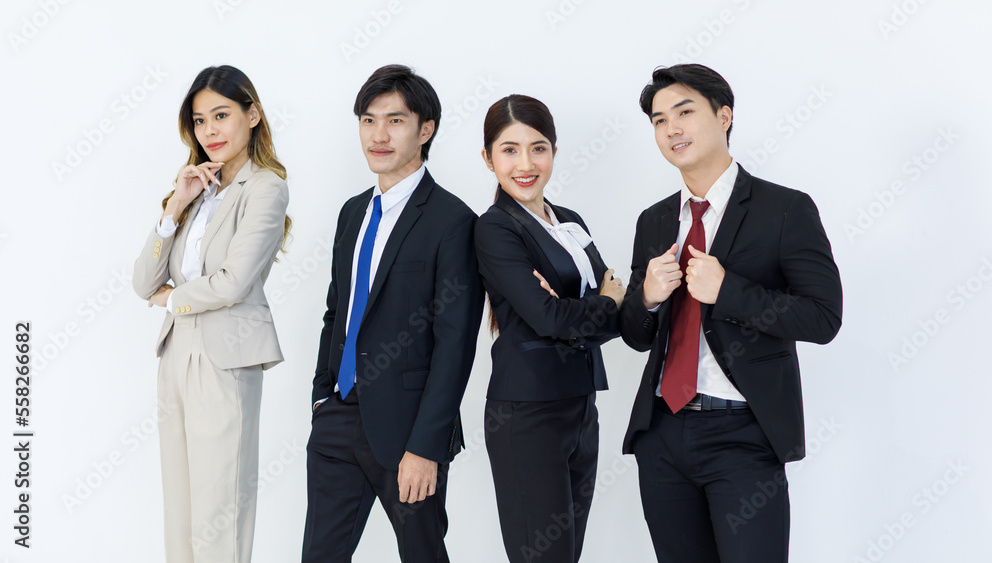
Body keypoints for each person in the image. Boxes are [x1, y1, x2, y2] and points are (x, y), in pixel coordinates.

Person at [619, 64, 843, 562]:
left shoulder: (784, 210)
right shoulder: (654, 220)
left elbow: (824, 317)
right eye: (658, 120)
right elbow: (636, 335)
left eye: (684, 111)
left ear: (724, 116)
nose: (671, 128)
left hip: (742, 434)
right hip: (661, 433)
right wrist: (647, 299)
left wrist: (729, 291)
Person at [302, 64, 484, 563]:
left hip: (408, 432)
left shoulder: (453, 221)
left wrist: (426, 447)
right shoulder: (352, 212)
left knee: (423, 555)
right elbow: (336, 311)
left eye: (395, 121)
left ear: (426, 130)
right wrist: (322, 398)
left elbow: (456, 344)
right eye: (368, 120)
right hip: (337, 419)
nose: (378, 135)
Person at [132, 64, 291, 563]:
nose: (210, 131)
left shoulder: (265, 187)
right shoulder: (197, 190)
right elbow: (143, 283)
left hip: (226, 359)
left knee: (220, 507)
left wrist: (174, 299)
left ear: (253, 115)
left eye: (221, 115)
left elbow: (233, 282)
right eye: (200, 121)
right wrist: (175, 206)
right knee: (180, 505)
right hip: (176, 355)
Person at [474, 94, 624, 563]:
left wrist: (587, 308)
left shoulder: (571, 223)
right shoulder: (495, 229)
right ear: (488, 158)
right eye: (509, 150)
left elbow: (613, 314)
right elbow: (551, 318)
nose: (525, 163)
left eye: (538, 148)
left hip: (581, 407)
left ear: (554, 152)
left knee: (567, 554)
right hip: (527, 414)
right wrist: (598, 303)